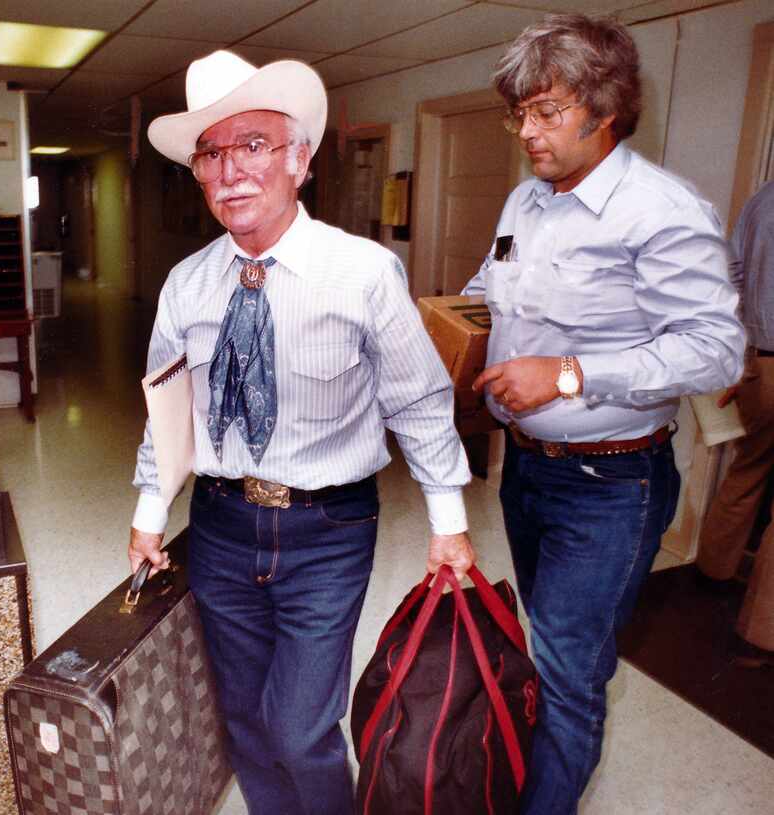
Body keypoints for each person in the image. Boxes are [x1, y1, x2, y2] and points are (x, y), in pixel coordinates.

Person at [128, 50, 475, 815]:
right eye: (210, 154)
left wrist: (448, 522)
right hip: (219, 526)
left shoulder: (364, 273)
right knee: (247, 720)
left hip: (327, 529)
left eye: (252, 144)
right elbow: (168, 409)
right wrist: (150, 513)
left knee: (300, 726)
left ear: (300, 159)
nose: (230, 171)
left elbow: (419, 402)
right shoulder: (188, 284)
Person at [461, 14, 745, 815]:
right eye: (518, 113)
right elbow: (491, 290)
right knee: (547, 649)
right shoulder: (527, 201)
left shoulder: (661, 210)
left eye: (546, 111)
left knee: (566, 670)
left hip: (611, 484)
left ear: (606, 106)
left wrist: (571, 374)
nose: (527, 132)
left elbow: (716, 352)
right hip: (527, 472)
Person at [697, 180, 774, 668]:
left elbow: (730, 274)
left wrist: (744, 341)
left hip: (760, 362)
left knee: (749, 466)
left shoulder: (764, 199)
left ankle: (712, 571)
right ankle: (762, 633)